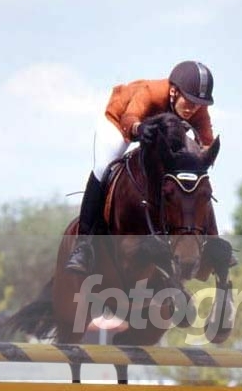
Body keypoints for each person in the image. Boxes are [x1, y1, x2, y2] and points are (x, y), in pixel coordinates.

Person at [66, 60, 217, 274]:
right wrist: (139, 129)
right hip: (120, 122)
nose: (193, 108)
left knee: (197, 180)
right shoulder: (150, 92)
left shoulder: (198, 108)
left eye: (198, 103)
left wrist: (202, 161)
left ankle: (213, 239)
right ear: (173, 91)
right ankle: (83, 245)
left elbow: (207, 143)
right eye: (189, 101)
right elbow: (129, 119)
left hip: (159, 132)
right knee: (103, 168)